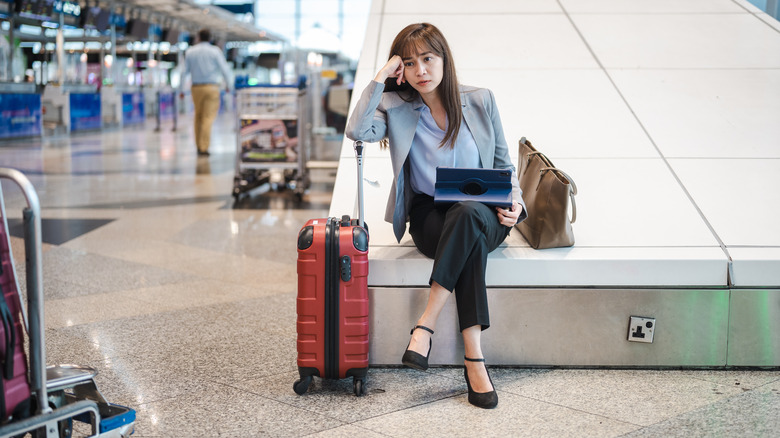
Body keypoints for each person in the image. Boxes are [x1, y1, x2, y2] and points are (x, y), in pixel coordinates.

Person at [345, 23, 527, 409]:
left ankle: (424, 324)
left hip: (485, 212)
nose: (420, 70)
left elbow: (503, 166)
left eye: (428, 58)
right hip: (430, 216)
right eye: (409, 63)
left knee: (468, 214)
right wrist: (381, 77)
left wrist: (516, 205)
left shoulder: (480, 100)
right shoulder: (396, 107)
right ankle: (474, 357)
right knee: (466, 235)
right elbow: (356, 129)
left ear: (444, 59)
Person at [180, 29, 232, 156]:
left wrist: (181, 89)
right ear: (210, 38)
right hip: (211, 88)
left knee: (198, 116)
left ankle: (198, 145)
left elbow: (183, 72)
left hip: (196, 88)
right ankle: (204, 147)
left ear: (198, 37)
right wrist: (229, 86)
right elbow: (225, 70)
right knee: (207, 118)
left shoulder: (190, 51)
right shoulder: (215, 51)